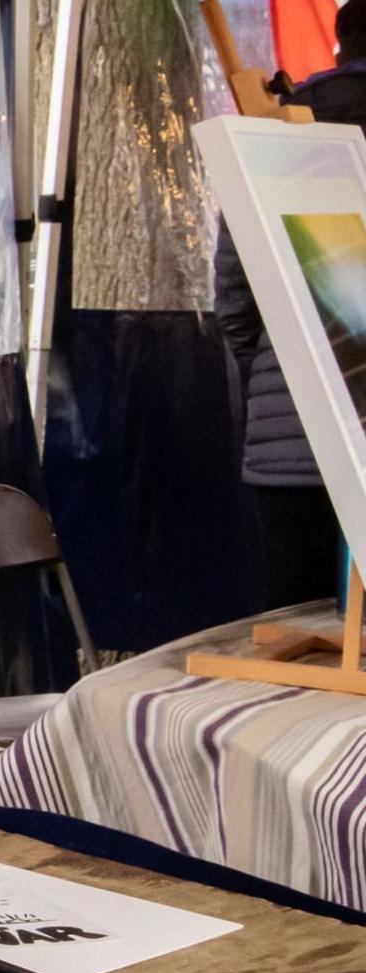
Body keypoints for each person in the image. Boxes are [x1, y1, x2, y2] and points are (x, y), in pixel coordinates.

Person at [215, 0, 366, 608]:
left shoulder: (274, 132)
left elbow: (234, 295)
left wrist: (285, 370)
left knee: (295, 650)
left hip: (290, 436)